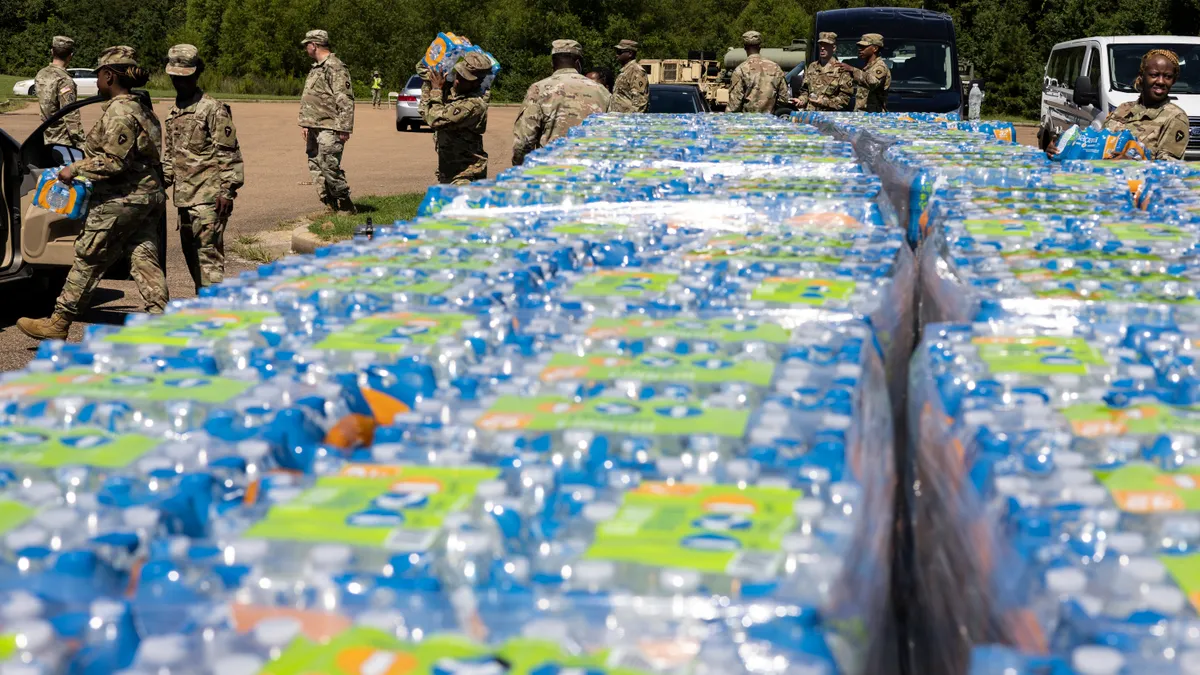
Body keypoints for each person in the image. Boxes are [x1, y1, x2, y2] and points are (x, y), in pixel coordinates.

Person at [17, 47, 168, 340]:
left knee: (88, 257)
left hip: (120, 199)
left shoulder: (119, 113)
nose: (97, 78)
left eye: (99, 73)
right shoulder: (142, 109)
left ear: (109, 75)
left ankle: (58, 323)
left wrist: (73, 169)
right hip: (146, 198)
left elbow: (114, 162)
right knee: (144, 259)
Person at [162, 44, 245, 293]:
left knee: (209, 261)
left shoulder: (212, 109)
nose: (179, 83)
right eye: (175, 77)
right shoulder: (173, 112)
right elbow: (170, 158)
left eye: (184, 77)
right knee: (192, 259)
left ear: (197, 73)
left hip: (210, 199)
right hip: (185, 201)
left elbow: (228, 152)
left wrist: (227, 191)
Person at [1049, 49, 1189, 161]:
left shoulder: (1175, 117)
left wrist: (1133, 164)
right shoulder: (1123, 109)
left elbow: (1169, 169)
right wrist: (1062, 147)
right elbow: (1096, 143)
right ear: (1142, 76)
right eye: (1154, 75)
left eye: (1168, 77)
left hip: (1136, 190)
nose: (1161, 81)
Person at [512, 40, 611, 165]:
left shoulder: (538, 89)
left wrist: (520, 168)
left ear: (553, 62)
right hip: (591, 172)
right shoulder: (601, 91)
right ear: (578, 63)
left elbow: (523, 141)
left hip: (551, 172)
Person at [299, 29, 355, 213]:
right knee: (316, 166)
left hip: (330, 127)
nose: (306, 48)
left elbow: (344, 99)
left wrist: (344, 128)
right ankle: (330, 206)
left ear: (314, 45)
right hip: (315, 126)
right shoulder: (317, 67)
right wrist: (307, 123)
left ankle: (345, 205)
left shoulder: (335, 67)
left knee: (329, 165)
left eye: (307, 44)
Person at [425, 51, 492, 185]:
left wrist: (436, 90)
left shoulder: (472, 105)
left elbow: (435, 120)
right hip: (451, 171)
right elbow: (427, 111)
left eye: (463, 79)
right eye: (458, 74)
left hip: (465, 176)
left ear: (476, 82)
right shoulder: (457, 95)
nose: (457, 80)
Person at [35, 36, 85, 150]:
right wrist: (81, 144)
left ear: (52, 51)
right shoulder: (64, 80)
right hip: (63, 142)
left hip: (46, 136)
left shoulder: (41, 74)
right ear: (70, 55)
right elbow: (70, 115)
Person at [727, 31, 789, 113]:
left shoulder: (740, 70)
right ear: (760, 47)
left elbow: (734, 105)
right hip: (770, 121)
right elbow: (784, 98)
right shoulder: (775, 68)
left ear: (745, 48)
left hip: (747, 122)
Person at [793, 32, 854, 112]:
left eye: (826, 45)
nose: (822, 48)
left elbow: (845, 99)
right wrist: (801, 100)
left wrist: (824, 102)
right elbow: (805, 91)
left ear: (834, 48)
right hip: (811, 115)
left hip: (830, 116)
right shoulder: (812, 67)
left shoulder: (841, 70)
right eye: (821, 45)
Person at [840, 33, 891, 112]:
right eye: (860, 47)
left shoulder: (880, 67)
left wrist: (853, 70)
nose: (860, 49)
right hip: (862, 114)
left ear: (875, 48)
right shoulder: (867, 67)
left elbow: (873, 82)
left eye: (864, 47)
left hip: (874, 116)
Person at [609, 39, 649, 113]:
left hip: (627, 120)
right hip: (618, 118)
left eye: (619, 52)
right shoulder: (625, 71)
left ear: (630, 53)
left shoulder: (636, 71)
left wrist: (632, 121)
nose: (616, 55)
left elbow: (640, 102)